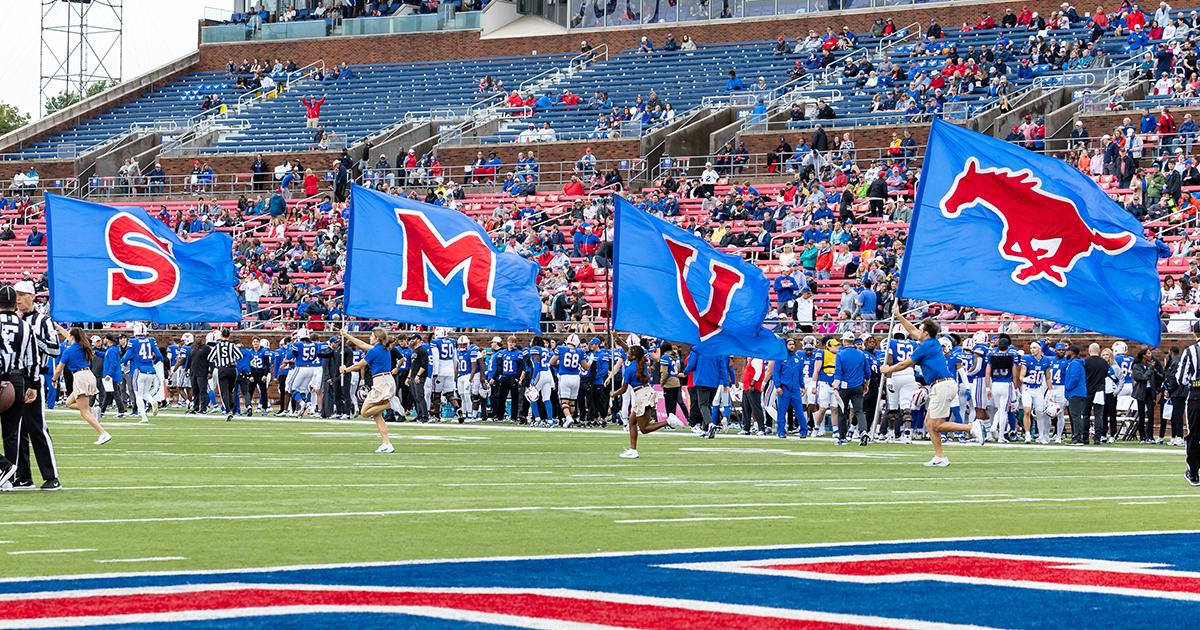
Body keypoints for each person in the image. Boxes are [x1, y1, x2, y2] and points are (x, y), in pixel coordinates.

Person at [880, 304, 984, 466]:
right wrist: (899, 316)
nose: (917, 332)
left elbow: (903, 365)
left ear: (926, 333)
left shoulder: (925, 347)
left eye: (921, 330)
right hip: (942, 385)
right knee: (930, 423)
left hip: (942, 385)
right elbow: (913, 331)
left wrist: (888, 369)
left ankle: (971, 428)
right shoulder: (932, 342)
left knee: (937, 424)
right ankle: (940, 457)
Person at [12, 280, 60, 489]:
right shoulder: (11, 319)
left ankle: (51, 477)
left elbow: (55, 349)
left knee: (37, 428)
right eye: (16, 295)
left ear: (32, 296)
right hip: (14, 377)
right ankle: (23, 476)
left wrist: (31, 333)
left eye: (22, 295)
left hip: (33, 377)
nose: (18, 299)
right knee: (17, 430)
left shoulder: (43, 320)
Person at [613, 345, 683, 458]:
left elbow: (623, 389)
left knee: (644, 428)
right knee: (632, 422)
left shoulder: (630, 369)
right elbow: (630, 351)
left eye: (629, 353)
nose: (627, 354)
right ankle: (633, 450)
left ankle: (668, 421)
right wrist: (616, 337)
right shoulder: (643, 363)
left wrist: (613, 393)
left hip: (642, 395)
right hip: (647, 392)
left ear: (634, 356)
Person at [0, 285, 38, 489]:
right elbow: (33, 359)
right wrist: (33, 385)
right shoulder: (25, 326)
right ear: (15, 303)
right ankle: (10, 478)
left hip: (3, 377)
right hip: (18, 379)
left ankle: (4, 469)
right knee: (11, 432)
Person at [52, 326, 109, 450]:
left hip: (80, 377)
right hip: (88, 375)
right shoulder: (83, 345)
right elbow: (67, 334)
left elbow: (59, 369)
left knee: (83, 412)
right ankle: (91, 410)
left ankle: (103, 433)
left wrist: (54, 380)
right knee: (69, 402)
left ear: (72, 337)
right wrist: (55, 325)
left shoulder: (69, 350)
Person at [341, 327, 397, 453]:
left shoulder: (374, 351)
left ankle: (389, 404)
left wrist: (345, 370)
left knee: (365, 413)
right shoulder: (383, 348)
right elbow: (361, 344)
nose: (370, 338)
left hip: (381, 383)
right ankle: (387, 444)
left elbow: (359, 365)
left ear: (377, 338)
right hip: (385, 381)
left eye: (372, 336)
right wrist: (346, 335)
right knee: (377, 416)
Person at [833, 330, 872, 445]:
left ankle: (842, 437)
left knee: (842, 412)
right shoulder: (861, 354)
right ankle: (864, 431)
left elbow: (838, 373)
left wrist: (835, 387)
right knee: (859, 411)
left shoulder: (840, 355)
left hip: (844, 387)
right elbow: (867, 372)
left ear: (844, 341)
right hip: (858, 386)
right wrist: (867, 385)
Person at [120, 322, 162, 425]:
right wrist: (152, 363)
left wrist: (124, 363)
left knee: (138, 394)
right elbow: (159, 356)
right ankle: (152, 402)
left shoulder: (133, 342)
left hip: (138, 370)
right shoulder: (151, 340)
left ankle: (144, 417)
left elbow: (126, 357)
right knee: (145, 393)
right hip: (150, 370)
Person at [210, 328, 243, 423]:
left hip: (222, 369)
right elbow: (240, 356)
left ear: (221, 336)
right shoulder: (232, 346)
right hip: (232, 369)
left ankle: (228, 410)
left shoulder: (217, 346)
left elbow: (210, 358)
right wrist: (232, 360)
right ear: (229, 336)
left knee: (224, 391)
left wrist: (218, 361)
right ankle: (232, 407)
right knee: (231, 390)